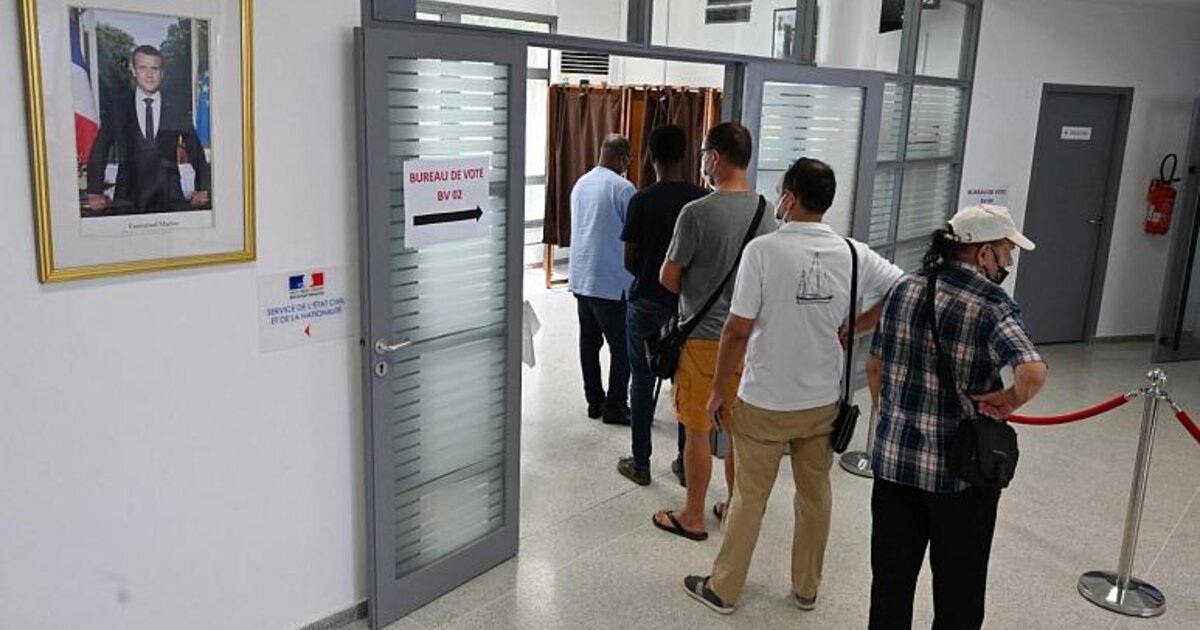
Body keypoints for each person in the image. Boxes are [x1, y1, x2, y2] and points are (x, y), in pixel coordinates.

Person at [682, 158, 903, 614]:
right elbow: (903, 288)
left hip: (764, 400)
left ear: (791, 196)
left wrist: (719, 390)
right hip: (822, 402)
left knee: (749, 497)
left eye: (782, 190)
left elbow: (736, 330)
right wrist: (859, 324)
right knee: (815, 494)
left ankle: (724, 589)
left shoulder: (763, 252)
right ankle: (806, 588)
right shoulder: (853, 252)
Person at [868, 204, 1049, 630]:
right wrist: (1008, 401)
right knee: (959, 593)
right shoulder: (992, 304)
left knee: (891, 584)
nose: (1008, 262)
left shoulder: (905, 288)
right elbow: (1032, 371)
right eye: (1006, 251)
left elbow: (875, 367)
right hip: (961, 475)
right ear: (983, 253)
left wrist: (893, 418)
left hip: (894, 467)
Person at [652, 121, 775, 541]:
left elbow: (669, 277)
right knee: (738, 433)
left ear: (716, 158)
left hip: (703, 340)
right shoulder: (767, 212)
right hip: (748, 341)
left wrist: (698, 285)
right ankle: (733, 510)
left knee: (698, 430)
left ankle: (692, 515)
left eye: (705, 153)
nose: (703, 161)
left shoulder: (697, 213)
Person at [617, 125, 706, 486]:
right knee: (685, 385)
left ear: (650, 156)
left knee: (641, 381)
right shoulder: (701, 201)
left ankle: (640, 464)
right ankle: (685, 464)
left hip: (646, 303)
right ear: (686, 155)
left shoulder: (641, 200)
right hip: (688, 308)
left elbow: (629, 259)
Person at [85, 45, 210, 215]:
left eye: (155, 69)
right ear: (134, 71)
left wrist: (202, 187)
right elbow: (100, 148)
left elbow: (194, 148)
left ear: (162, 73)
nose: (149, 74)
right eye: (143, 68)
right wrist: (95, 191)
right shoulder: (118, 107)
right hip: (127, 198)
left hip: (170, 197)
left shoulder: (176, 106)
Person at [568, 134, 636, 426]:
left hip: (582, 278)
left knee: (589, 343)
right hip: (611, 281)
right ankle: (616, 406)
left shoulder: (580, 184)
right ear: (623, 158)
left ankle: (594, 401)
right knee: (623, 348)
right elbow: (634, 235)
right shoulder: (623, 188)